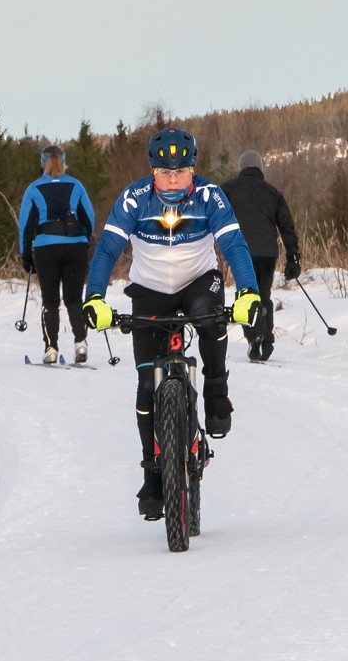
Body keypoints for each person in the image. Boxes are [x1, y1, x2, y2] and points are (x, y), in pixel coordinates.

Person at [81, 128, 262, 520]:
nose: (174, 179)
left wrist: (248, 291)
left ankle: (216, 389)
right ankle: (152, 472)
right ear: (153, 171)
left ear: (193, 170)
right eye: (166, 172)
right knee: (147, 383)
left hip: (199, 282)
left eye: (181, 171)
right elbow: (108, 248)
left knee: (210, 317)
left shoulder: (210, 196)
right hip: (149, 290)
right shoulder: (134, 198)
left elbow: (234, 243)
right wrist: (94, 297)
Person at [18, 144, 97, 364]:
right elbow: (89, 217)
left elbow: (25, 225)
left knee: (50, 300)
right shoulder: (76, 185)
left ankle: (51, 348)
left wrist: (26, 255)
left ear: (42, 162)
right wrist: (84, 239)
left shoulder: (34, 188)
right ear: (64, 161)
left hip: (46, 248)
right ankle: (80, 343)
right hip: (75, 247)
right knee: (74, 299)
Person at [220, 150, 301, 362]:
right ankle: (265, 338)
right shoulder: (273, 193)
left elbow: (214, 216)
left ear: (242, 168)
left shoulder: (228, 189)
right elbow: (287, 227)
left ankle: (253, 337)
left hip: (241, 252)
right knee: (263, 296)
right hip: (267, 253)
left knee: (246, 295)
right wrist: (293, 257)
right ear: (260, 168)